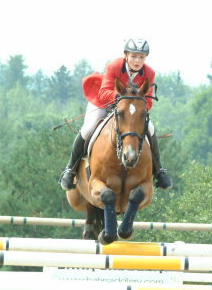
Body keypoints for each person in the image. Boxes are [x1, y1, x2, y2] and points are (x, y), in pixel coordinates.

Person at [59, 38, 172, 191]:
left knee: (150, 129)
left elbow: (149, 101)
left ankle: (159, 170)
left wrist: (135, 105)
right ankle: (70, 170)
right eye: (133, 56)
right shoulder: (114, 66)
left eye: (141, 57)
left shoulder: (149, 73)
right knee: (88, 128)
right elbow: (104, 92)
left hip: (131, 111)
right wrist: (119, 99)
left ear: (145, 58)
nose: (137, 61)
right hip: (104, 102)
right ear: (126, 55)